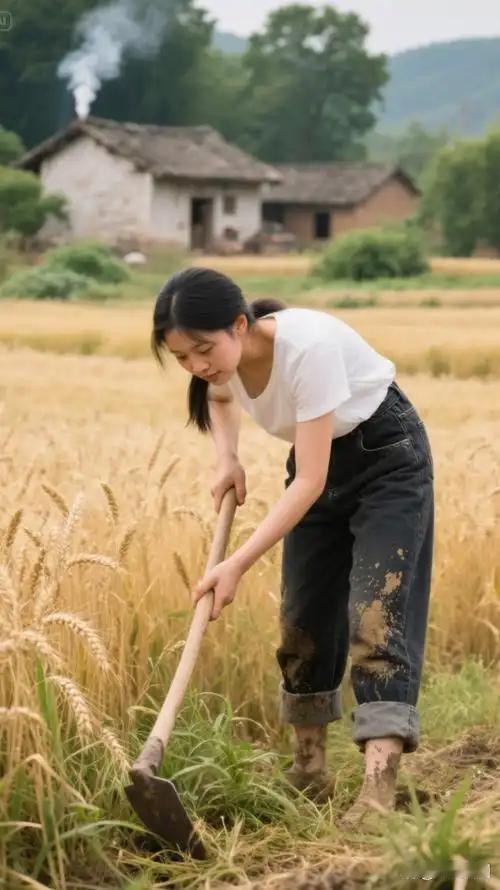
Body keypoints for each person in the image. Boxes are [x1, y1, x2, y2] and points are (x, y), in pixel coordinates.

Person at [151, 266, 434, 829]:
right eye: (182, 357)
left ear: (240, 324)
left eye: (203, 349)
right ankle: (309, 770)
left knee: (377, 617)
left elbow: (308, 483)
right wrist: (227, 458)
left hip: (387, 460)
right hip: (318, 463)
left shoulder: (309, 350)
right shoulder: (223, 360)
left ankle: (378, 791)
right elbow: (220, 395)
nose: (197, 365)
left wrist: (235, 564)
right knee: (302, 620)